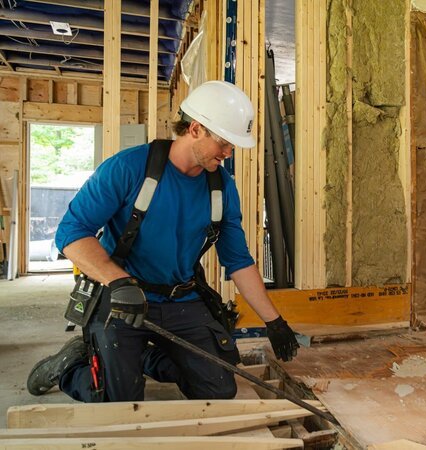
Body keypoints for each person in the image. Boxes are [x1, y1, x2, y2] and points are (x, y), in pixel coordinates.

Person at [27, 80, 300, 402]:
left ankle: (138, 358)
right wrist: (119, 282)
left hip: (180, 300)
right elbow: (71, 232)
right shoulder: (128, 168)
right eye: (224, 143)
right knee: (119, 401)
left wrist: (275, 321)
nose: (228, 153)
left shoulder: (221, 187)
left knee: (218, 388)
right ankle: (72, 366)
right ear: (196, 129)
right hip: (121, 299)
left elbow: (238, 260)